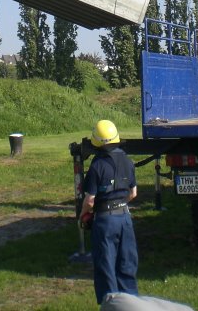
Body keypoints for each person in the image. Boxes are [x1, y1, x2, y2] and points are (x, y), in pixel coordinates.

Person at [79, 119, 139, 305]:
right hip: (125, 218)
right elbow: (133, 193)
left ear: (96, 141)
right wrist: (119, 204)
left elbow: (90, 200)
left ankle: (111, 305)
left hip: (105, 221)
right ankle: (131, 304)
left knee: (106, 266)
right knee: (127, 264)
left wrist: (83, 215)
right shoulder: (128, 161)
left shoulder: (97, 166)